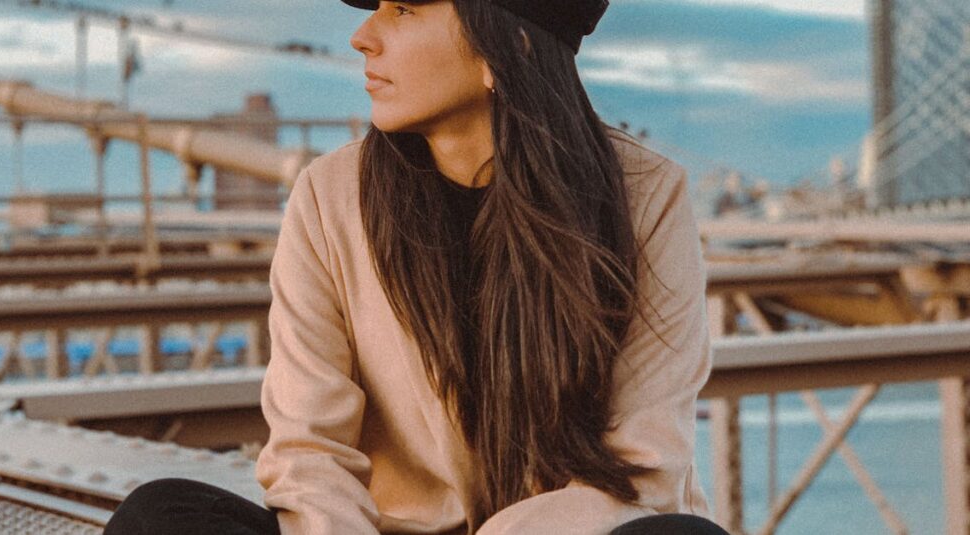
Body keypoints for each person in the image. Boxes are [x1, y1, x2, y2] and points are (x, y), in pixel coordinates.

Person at [104, 1, 727, 534]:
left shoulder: (646, 196)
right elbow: (309, 452)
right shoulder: (330, 196)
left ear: (505, 46)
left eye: (402, 9)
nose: (363, 36)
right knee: (159, 516)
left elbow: (643, 464)